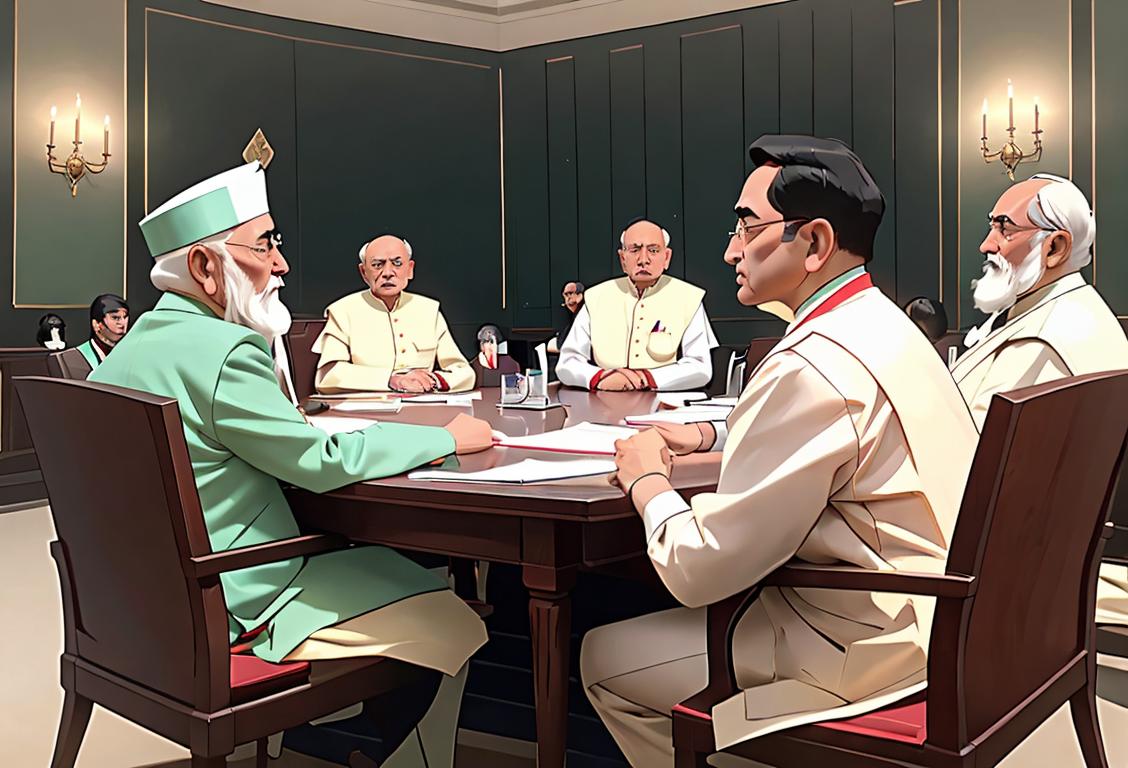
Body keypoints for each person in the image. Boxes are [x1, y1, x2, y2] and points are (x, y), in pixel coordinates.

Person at [580, 136, 978, 766]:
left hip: (865, 644)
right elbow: (841, 436)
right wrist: (710, 433)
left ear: (815, 242)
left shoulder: (808, 365)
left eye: (747, 225)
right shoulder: (882, 322)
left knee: (600, 658)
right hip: (940, 611)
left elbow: (699, 568)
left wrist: (646, 479)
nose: (731, 249)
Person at [90, 161, 491, 767]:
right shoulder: (227, 350)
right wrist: (446, 438)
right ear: (204, 266)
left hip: (143, 604)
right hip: (238, 597)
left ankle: (334, 741)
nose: (281, 264)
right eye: (265, 245)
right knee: (454, 616)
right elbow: (319, 460)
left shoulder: (126, 352)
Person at [946, 173, 1128, 631]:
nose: (987, 244)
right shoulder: (1064, 310)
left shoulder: (1050, 337)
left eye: (1004, 228)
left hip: (1003, 570)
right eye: (991, 225)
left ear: (1056, 248)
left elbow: (967, 466)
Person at [556, 219, 718, 391]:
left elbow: (700, 366)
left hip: (664, 400)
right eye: (634, 250)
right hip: (602, 397)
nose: (643, 260)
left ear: (666, 257)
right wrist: (601, 377)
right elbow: (568, 362)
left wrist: (646, 378)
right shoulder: (596, 296)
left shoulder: (688, 297)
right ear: (623, 259)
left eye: (653, 250)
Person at [313, 236, 475, 394]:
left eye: (397, 263)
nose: (387, 273)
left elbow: (463, 372)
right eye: (377, 265)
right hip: (368, 405)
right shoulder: (342, 311)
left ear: (410, 269)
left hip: (422, 402)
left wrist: (433, 380)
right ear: (363, 272)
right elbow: (328, 376)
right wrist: (391, 380)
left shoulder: (428, 309)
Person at [75, 293, 129, 369]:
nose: (123, 323)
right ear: (96, 324)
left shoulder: (130, 353)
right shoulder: (77, 357)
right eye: (115, 318)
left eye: (125, 317)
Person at [547, 280, 585, 354]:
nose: (568, 298)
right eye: (565, 294)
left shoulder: (583, 313)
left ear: (579, 296)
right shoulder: (570, 315)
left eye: (570, 293)